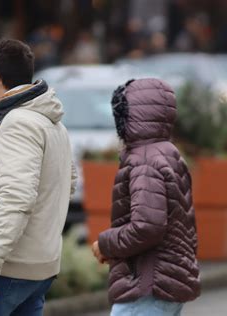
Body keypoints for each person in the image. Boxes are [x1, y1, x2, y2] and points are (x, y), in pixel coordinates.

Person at [0, 39, 77, 316]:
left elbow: (16, 197)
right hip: (40, 268)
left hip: (9, 267)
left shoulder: (18, 123)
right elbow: (66, 185)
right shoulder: (52, 123)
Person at [92, 79, 201, 316]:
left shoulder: (143, 161)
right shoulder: (167, 152)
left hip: (147, 285)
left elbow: (147, 226)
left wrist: (105, 244)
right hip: (165, 282)